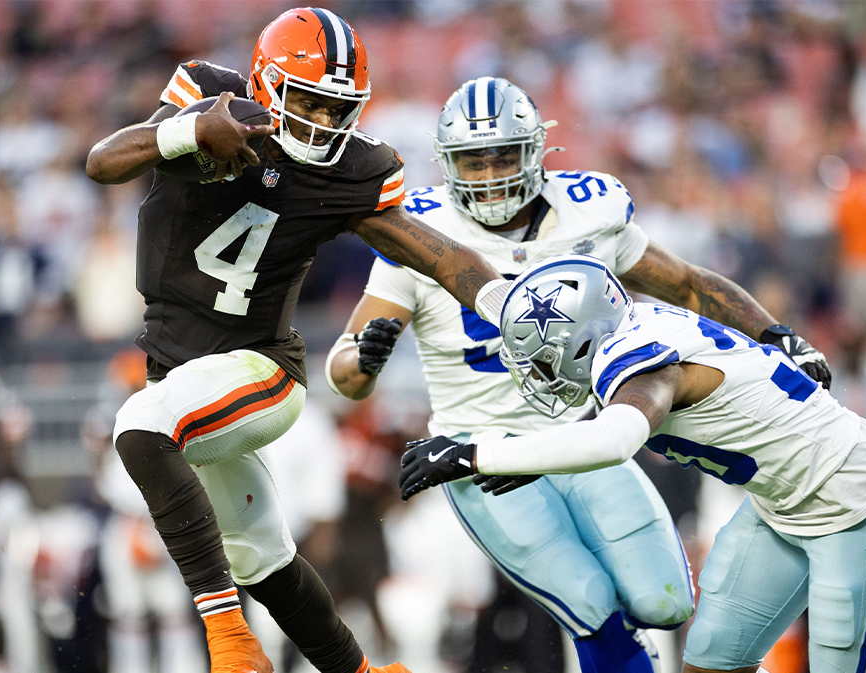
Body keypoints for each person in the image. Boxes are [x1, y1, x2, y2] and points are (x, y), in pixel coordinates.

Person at [327, 77, 832, 673]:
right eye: (473, 160)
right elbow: (345, 375)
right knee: (588, 605)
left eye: (502, 157)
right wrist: (365, 357)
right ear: (448, 164)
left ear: (537, 152)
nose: (489, 176)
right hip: (481, 453)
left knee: (666, 601)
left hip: (581, 443)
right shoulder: (421, 231)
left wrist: (775, 332)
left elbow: (690, 284)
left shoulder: (588, 215)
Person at [84, 8, 505, 673]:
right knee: (262, 554)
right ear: (265, 82)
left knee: (139, 428)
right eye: (308, 99)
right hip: (184, 374)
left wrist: (509, 303)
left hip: (260, 369)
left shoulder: (353, 171)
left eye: (339, 108)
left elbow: (436, 254)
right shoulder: (207, 95)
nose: (324, 121)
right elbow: (103, 161)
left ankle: (231, 643)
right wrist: (193, 130)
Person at [399, 255, 866, 673]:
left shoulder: (639, 364)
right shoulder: (631, 330)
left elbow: (616, 438)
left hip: (855, 498)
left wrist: (473, 452)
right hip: (779, 506)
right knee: (713, 655)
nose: (537, 373)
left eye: (541, 357)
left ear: (579, 340)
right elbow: (602, 420)